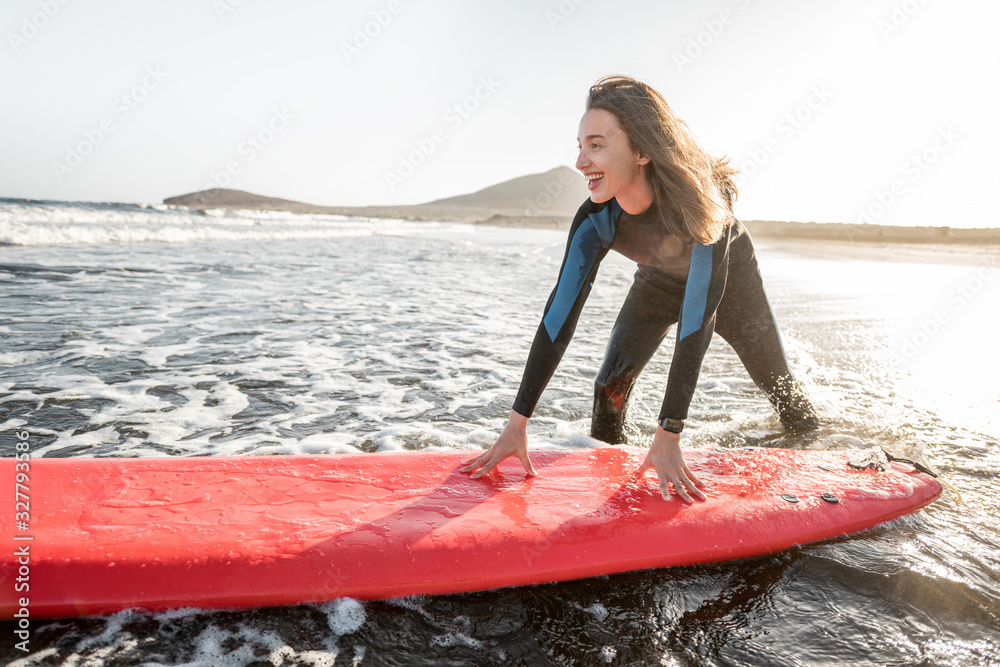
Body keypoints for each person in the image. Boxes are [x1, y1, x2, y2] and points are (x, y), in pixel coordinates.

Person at [461, 75, 818, 502]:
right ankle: (613, 480)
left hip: (732, 286)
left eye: (596, 145)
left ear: (642, 151)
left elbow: (696, 320)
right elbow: (559, 316)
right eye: (579, 145)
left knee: (780, 389)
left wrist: (670, 432)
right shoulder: (596, 219)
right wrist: (516, 425)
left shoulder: (703, 206)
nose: (580, 161)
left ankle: (815, 456)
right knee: (608, 390)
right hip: (656, 281)